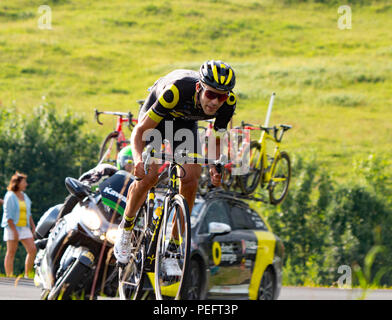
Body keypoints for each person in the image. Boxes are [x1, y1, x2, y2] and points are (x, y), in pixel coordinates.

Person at [114, 60, 237, 263]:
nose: (215, 102)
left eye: (221, 96)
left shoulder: (228, 103)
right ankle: (126, 230)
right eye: (211, 94)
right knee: (149, 174)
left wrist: (216, 164)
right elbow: (140, 131)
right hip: (158, 119)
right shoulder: (177, 91)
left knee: (191, 176)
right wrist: (137, 160)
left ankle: (173, 245)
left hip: (185, 123)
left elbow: (217, 137)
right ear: (199, 88)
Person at [1, 172, 37, 277]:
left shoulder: (25, 196)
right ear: (18, 183)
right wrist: (14, 231)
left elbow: (28, 213)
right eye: (24, 182)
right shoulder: (10, 196)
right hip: (12, 227)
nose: (26, 184)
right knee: (11, 251)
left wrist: (33, 226)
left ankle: (27, 275)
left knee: (32, 249)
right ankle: (9, 276)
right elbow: (8, 216)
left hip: (24, 227)